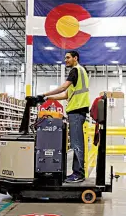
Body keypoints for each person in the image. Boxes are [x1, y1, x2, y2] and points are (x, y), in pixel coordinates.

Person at [39, 51, 90, 183]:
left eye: (68, 57)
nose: (65, 60)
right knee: (76, 143)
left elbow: (63, 88)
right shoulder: (82, 71)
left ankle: (78, 174)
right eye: (65, 57)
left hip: (77, 111)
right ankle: (77, 172)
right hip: (78, 111)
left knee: (77, 144)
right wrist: (47, 98)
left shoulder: (75, 70)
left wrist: (44, 93)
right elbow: (66, 95)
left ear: (75, 58)